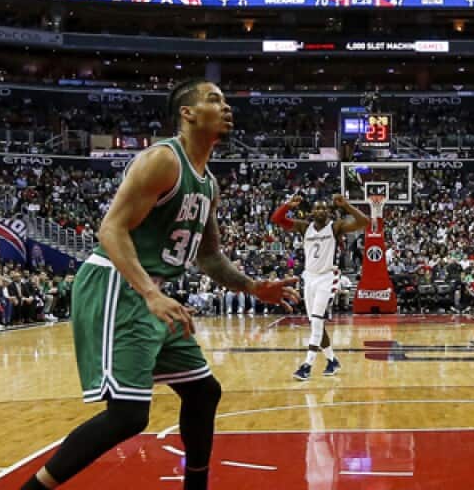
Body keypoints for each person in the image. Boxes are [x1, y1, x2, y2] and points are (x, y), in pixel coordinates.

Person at [18, 80, 297, 490]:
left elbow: (208, 256)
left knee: (204, 393)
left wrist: (254, 287)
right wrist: (150, 293)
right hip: (119, 284)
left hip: (155, 293)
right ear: (187, 113)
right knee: (128, 416)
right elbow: (110, 230)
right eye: (214, 100)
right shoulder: (164, 160)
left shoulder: (208, 183)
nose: (226, 107)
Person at [272, 193, 370, 381]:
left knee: (317, 322)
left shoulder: (335, 227)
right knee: (315, 324)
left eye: (324, 208)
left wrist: (346, 205)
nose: (320, 210)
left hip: (327, 277)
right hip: (309, 278)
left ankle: (307, 365)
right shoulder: (303, 227)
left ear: (329, 212)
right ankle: (332, 360)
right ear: (311, 212)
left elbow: (364, 221)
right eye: (317, 207)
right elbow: (276, 219)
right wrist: (288, 205)